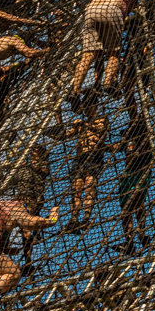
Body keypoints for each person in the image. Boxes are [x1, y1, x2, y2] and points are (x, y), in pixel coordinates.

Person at [72, 0, 155, 96]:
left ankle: (75, 90)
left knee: (88, 55)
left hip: (91, 11)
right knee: (114, 53)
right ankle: (108, 82)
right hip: (111, 8)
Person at [45, 88, 109, 234]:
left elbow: (100, 132)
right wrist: (50, 133)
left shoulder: (102, 119)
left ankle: (86, 217)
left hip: (94, 155)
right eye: (86, 106)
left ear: (95, 106)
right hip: (80, 157)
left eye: (90, 106)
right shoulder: (82, 123)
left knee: (89, 185)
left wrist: (83, 125)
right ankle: (74, 219)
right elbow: (65, 136)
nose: (87, 109)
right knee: (76, 188)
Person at [115, 113, 154, 253]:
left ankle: (142, 232)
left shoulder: (144, 133)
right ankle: (129, 240)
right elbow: (116, 147)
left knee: (137, 200)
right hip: (129, 172)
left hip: (141, 169)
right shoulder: (128, 136)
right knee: (126, 208)